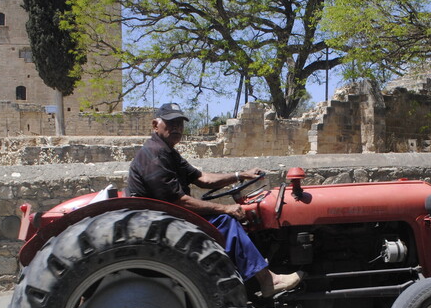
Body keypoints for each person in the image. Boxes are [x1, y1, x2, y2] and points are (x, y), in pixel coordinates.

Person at [127, 103, 301, 297]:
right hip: (161, 223)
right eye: (170, 123)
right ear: (155, 125)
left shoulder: (167, 152)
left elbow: (203, 178)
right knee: (226, 223)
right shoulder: (154, 154)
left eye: (180, 123)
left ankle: (249, 272)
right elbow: (178, 201)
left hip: (166, 217)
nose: (177, 128)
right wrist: (224, 209)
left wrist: (240, 175)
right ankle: (268, 280)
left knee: (227, 218)